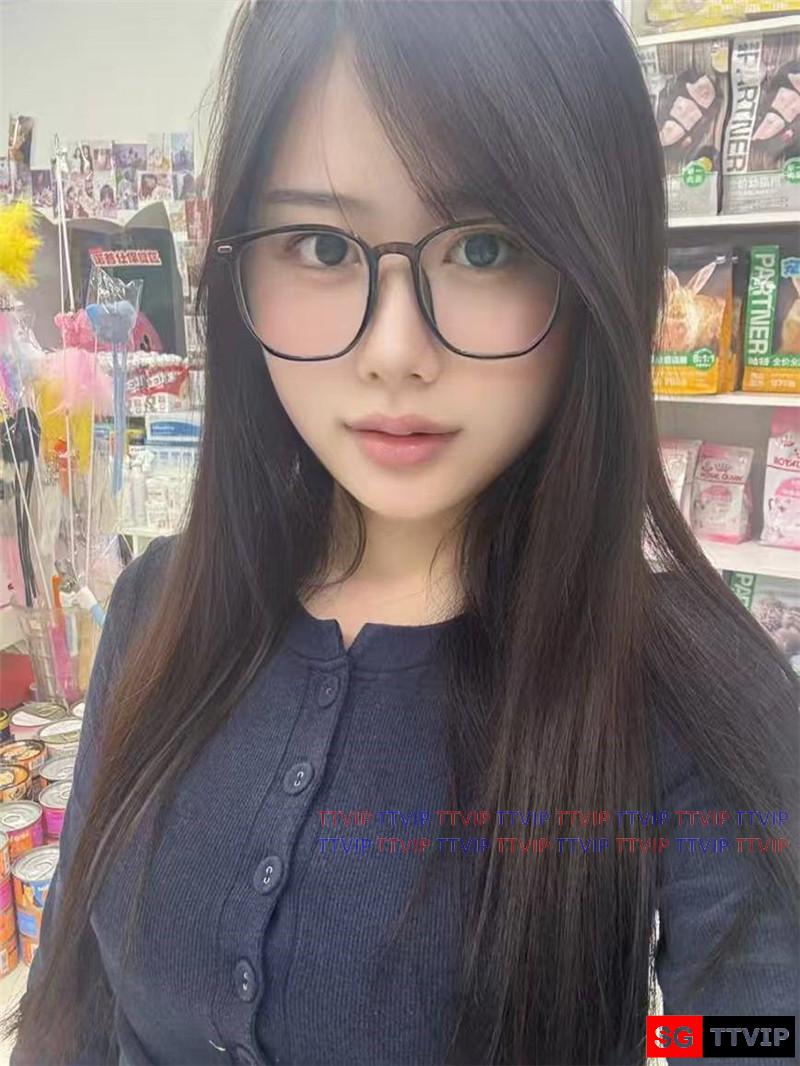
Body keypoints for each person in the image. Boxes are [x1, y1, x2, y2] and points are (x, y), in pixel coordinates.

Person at [7, 2, 800, 1065]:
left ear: (596, 268)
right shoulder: (160, 607)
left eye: (484, 246)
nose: (393, 348)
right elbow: (71, 1011)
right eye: (322, 245)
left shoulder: (684, 685)